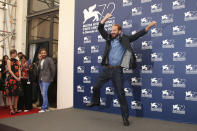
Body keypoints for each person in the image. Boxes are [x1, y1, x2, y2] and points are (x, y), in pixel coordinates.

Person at [86, 13, 157, 126]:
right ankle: (95, 101)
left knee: (120, 94)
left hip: (117, 71)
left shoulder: (125, 38)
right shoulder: (108, 38)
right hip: (107, 70)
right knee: (96, 87)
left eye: (114, 30)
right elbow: (100, 28)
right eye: (112, 30)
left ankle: (125, 118)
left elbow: (139, 34)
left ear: (119, 31)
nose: (112, 32)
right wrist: (106, 18)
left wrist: (150, 25)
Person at [3, 49, 21, 115]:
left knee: (17, 94)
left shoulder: (18, 61)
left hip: (17, 79)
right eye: (13, 53)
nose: (14, 54)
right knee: (9, 94)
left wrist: (19, 77)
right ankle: (11, 109)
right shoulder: (8, 61)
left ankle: (15, 108)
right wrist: (16, 77)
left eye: (15, 53)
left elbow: (19, 69)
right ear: (11, 54)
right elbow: (10, 71)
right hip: (11, 79)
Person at [38, 48, 55, 113]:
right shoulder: (40, 60)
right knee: (43, 94)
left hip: (47, 79)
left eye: (44, 53)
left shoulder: (49, 59)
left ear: (46, 53)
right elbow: (39, 70)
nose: (43, 54)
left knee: (44, 93)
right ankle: (47, 107)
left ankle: (43, 108)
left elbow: (53, 69)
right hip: (40, 79)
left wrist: (51, 78)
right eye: (42, 53)